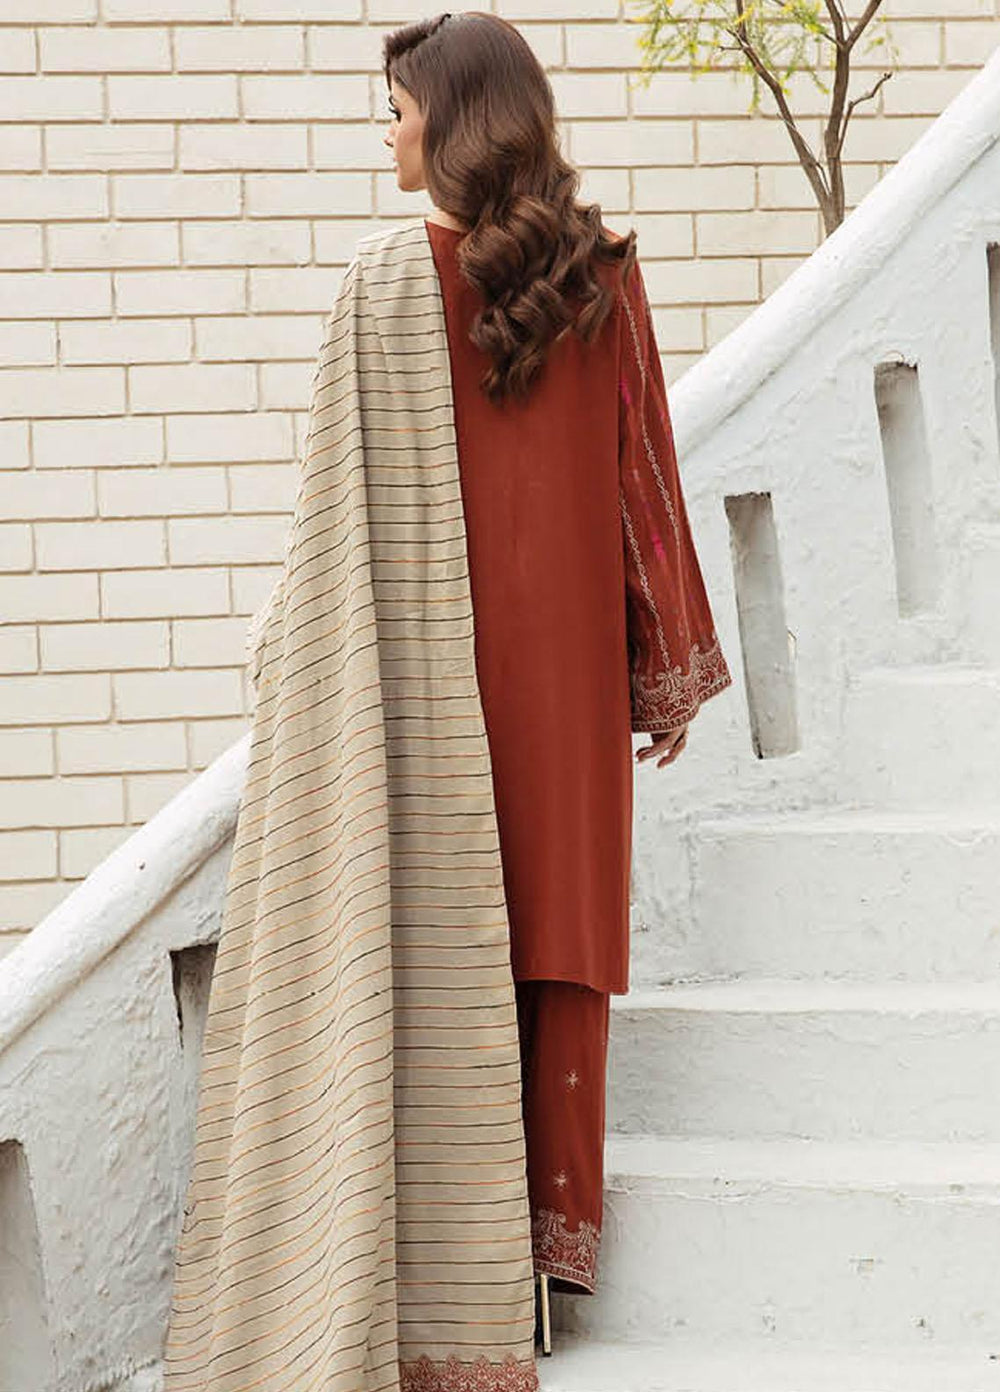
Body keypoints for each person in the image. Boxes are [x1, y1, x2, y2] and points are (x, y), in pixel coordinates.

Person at [383, 6, 732, 1354]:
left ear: (458, 119)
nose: (388, 132)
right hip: (549, 678)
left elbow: (639, 460)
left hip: (460, 674)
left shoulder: (407, 283)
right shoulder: (593, 276)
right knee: (533, 936)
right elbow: (645, 476)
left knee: (503, 933)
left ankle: (485, 1278)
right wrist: (661, 666)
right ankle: (532, 1262)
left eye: (400, 108)